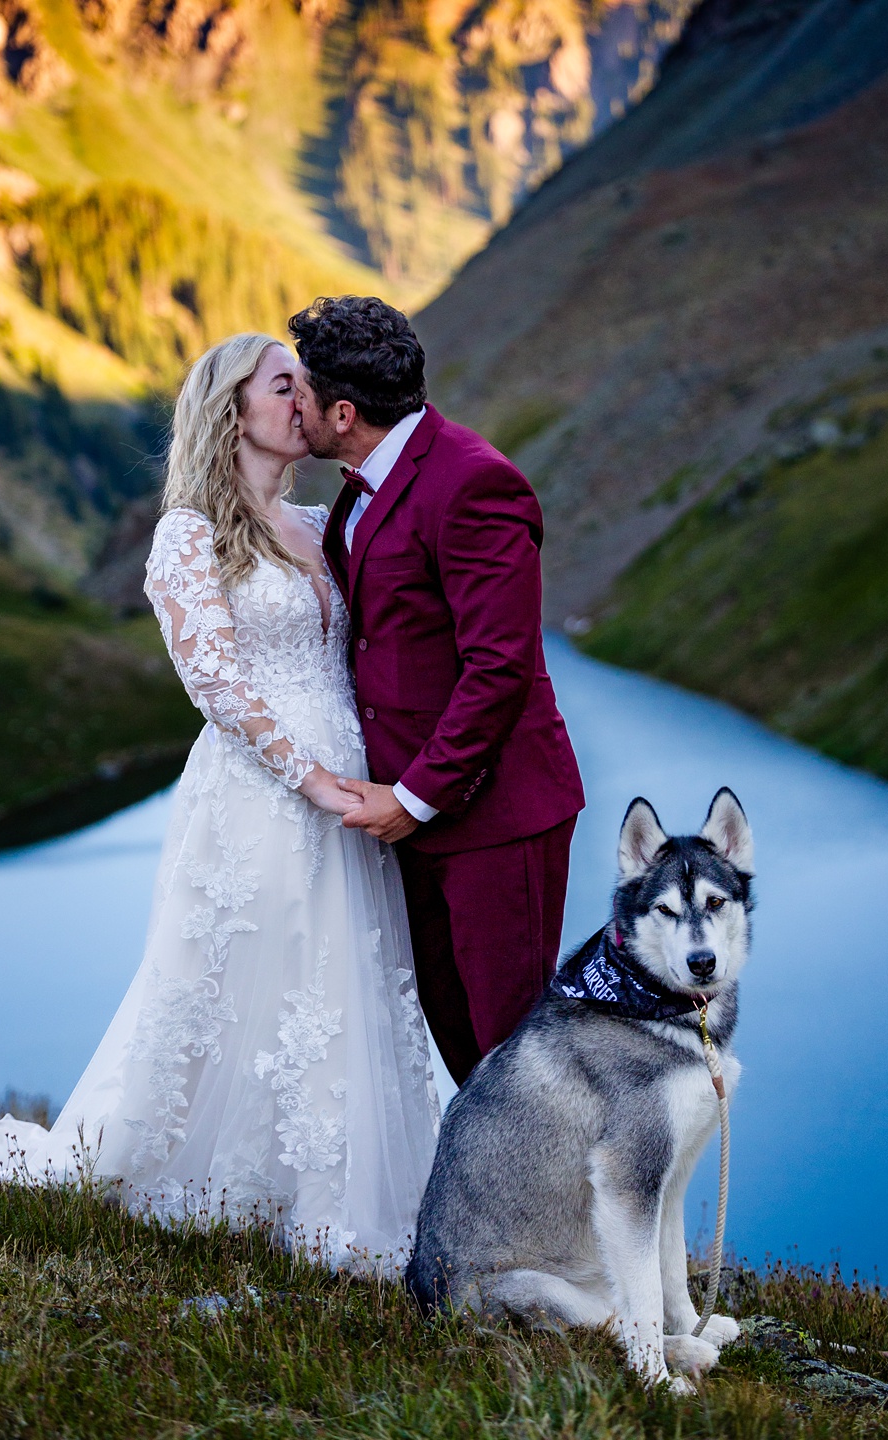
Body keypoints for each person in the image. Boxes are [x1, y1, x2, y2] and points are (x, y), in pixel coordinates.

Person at [0, 333, 438, 1269]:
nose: (306, 398)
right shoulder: (189, 534)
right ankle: (218, 1181)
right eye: (284, 384)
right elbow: (216, 684)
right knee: (249, 982)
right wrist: (309, 778)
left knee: (348, 980)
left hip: (354, 786)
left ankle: (345, 1194)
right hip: (261, 793)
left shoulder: (322, 524)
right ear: (233, 408)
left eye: (305, 383)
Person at [289, 296, 585, 1086]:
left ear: (343, 413)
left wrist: (414, 798)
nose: (294, 407)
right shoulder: (362, 485)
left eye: (303, 393)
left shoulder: (475, 484)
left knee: (518, 1065)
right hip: (411, 819)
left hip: (495, 816)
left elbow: (499, 669)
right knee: (465, 1054)